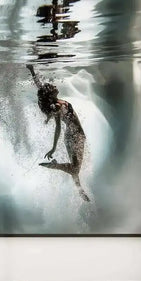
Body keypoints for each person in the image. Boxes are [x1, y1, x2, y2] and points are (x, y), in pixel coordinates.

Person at [26, 64, 90, 202]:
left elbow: (40, 87)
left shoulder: (53, 102)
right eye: (52, 88)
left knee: (75, 168)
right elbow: (58, 128)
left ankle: (79, 189)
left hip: (72, 136)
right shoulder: (57, 106)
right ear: (51, 96)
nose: (53, 86)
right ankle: (55, 166)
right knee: (74, 168)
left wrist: (32, 71)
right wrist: (53, 148)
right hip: (75, 137)